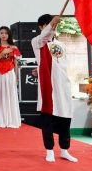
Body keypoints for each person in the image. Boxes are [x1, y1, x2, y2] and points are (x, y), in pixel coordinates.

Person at [31, 14, 77, 163]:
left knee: (65, 119)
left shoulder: (61, 45)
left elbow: (63, 65)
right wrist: (51, 25)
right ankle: (49, 150)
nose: (52, 27)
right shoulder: (37, 42)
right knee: (48, 120)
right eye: (48, 25)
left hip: (63, 86)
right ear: (41, 27)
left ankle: (64, 150)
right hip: (48, 87)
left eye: (54, 25)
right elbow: (45, 36)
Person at [0, 26, 22, 129]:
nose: (4, 35)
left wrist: (16, 77)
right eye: (2, 33)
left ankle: (11, 119)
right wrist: (2, 53)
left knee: (10, 95)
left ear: (9, 35)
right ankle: (0, 119)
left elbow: (16, 63)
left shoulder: (13, 48)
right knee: (0, 96)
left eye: (6, 33)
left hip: (10, 73)